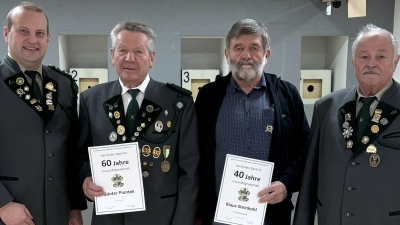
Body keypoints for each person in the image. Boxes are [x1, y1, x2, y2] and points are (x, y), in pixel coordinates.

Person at [76, 21, 199, 225]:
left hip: (161, 218)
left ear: (151, 58)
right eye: (122, 50)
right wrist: (85, 179)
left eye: (139, 52)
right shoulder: (91, 100)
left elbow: (190, 171)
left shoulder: (178, 102)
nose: (129, 59)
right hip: (109, 218)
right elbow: (80, 154)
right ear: (112, 55)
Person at [195, 19, 310, 225]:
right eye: (238, 48)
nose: (246, 56)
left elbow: (305, 149)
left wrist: (286, 184)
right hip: (218, 218)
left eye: (254, 48)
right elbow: (194, 153)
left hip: (271, 216)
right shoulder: (208, 97)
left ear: (266, 54)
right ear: (227, 54)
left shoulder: (287, 95)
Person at [293, 24, 400, 224]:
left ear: (396, 61)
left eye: (381, 56)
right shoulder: (326, 106)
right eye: (364, 56)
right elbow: (310, 178)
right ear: (353, 62)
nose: (371, 63)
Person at [0, 2, 86, 225]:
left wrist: (75, 207)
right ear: (6, 33)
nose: (33, 40)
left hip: (59, 213)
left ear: (48, 38)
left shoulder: (64, 84)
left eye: (40, 33)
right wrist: (2, 204)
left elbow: (71, 150)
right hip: (10, 216)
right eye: (23, 31)